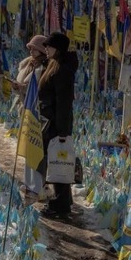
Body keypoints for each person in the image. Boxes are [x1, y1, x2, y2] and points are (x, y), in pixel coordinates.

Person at [38, 32, 79, 217]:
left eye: (49, 46)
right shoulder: (54, 66)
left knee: (59, 163)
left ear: (58, 49)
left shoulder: (63, 71)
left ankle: (61, 206)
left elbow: (63, 102)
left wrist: (62, 132)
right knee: (56, 162)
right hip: (51, 122)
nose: (46, 49)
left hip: (57, 125)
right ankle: (61, 202)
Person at [13, 35, 48, 201]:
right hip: (25, 110)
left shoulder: (44, 68)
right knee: (27, 149)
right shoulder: (27, 64)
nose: (31, 51)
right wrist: (17, 87)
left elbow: (37, 89)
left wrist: (23, 88)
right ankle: (29, 183)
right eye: (30, 48)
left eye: (34, 48)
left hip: (36, 114)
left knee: (35, 150)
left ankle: (37, 185)